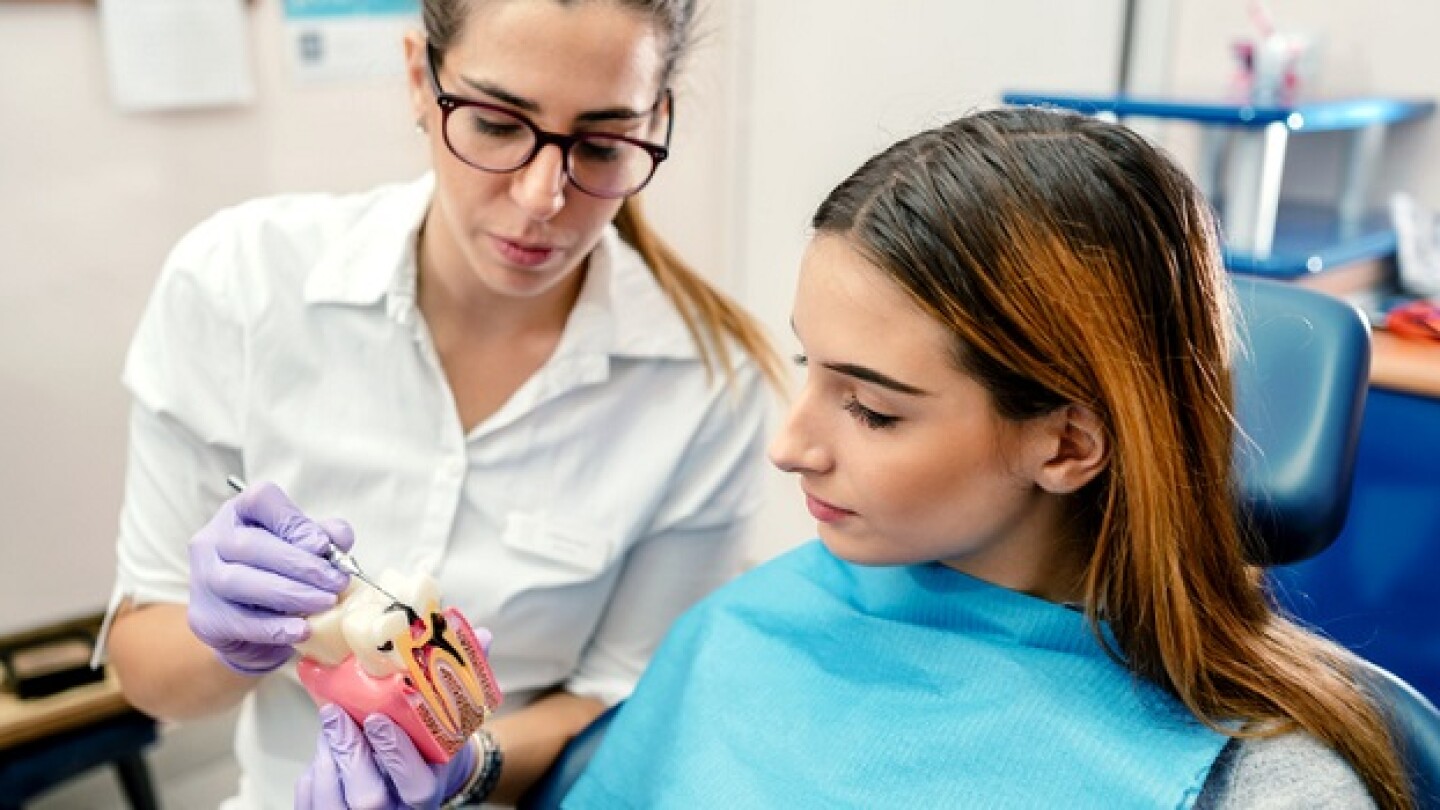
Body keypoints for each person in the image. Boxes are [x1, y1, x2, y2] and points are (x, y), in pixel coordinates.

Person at [563, 108, 1413, 809]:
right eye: (807, 370)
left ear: (1068, 444)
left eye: (872, 409)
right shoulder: (745, 629)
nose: (790, 448)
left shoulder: (1263, 787)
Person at [100, 0, 782, 807]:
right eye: (496, 124)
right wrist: (230, 637)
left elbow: (627, 704)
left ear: (657, 119)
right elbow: (144, 676)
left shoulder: (707, 385)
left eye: (602, 145)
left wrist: (464, 767)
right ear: (421, 79)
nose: (540, 198)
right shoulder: (238, 285)